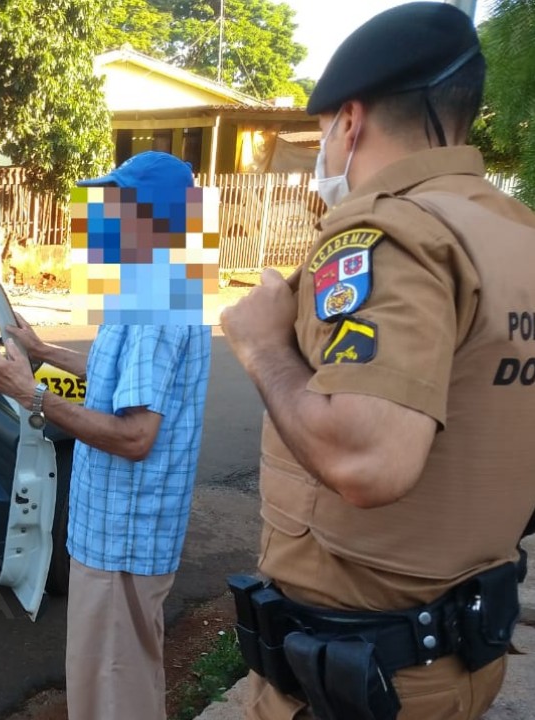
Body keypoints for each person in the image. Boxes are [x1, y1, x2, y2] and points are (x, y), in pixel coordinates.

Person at [219, 4, 535, 719]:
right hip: (460, 653)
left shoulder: (387, 235)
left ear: (349, 123)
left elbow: (370, 461)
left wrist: (263, 343)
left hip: (363, 686)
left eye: (323, 131)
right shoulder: (516, 236)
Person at [0, 151, 212, 720]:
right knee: (119, 681)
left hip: (123, 541)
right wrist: (41, 353)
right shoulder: (150, 288)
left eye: (115, 205)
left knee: (114, 693)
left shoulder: (155, 304)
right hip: (113, 535)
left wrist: (29, 392)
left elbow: (135, 436)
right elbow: (116, 376)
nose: (100, 217)